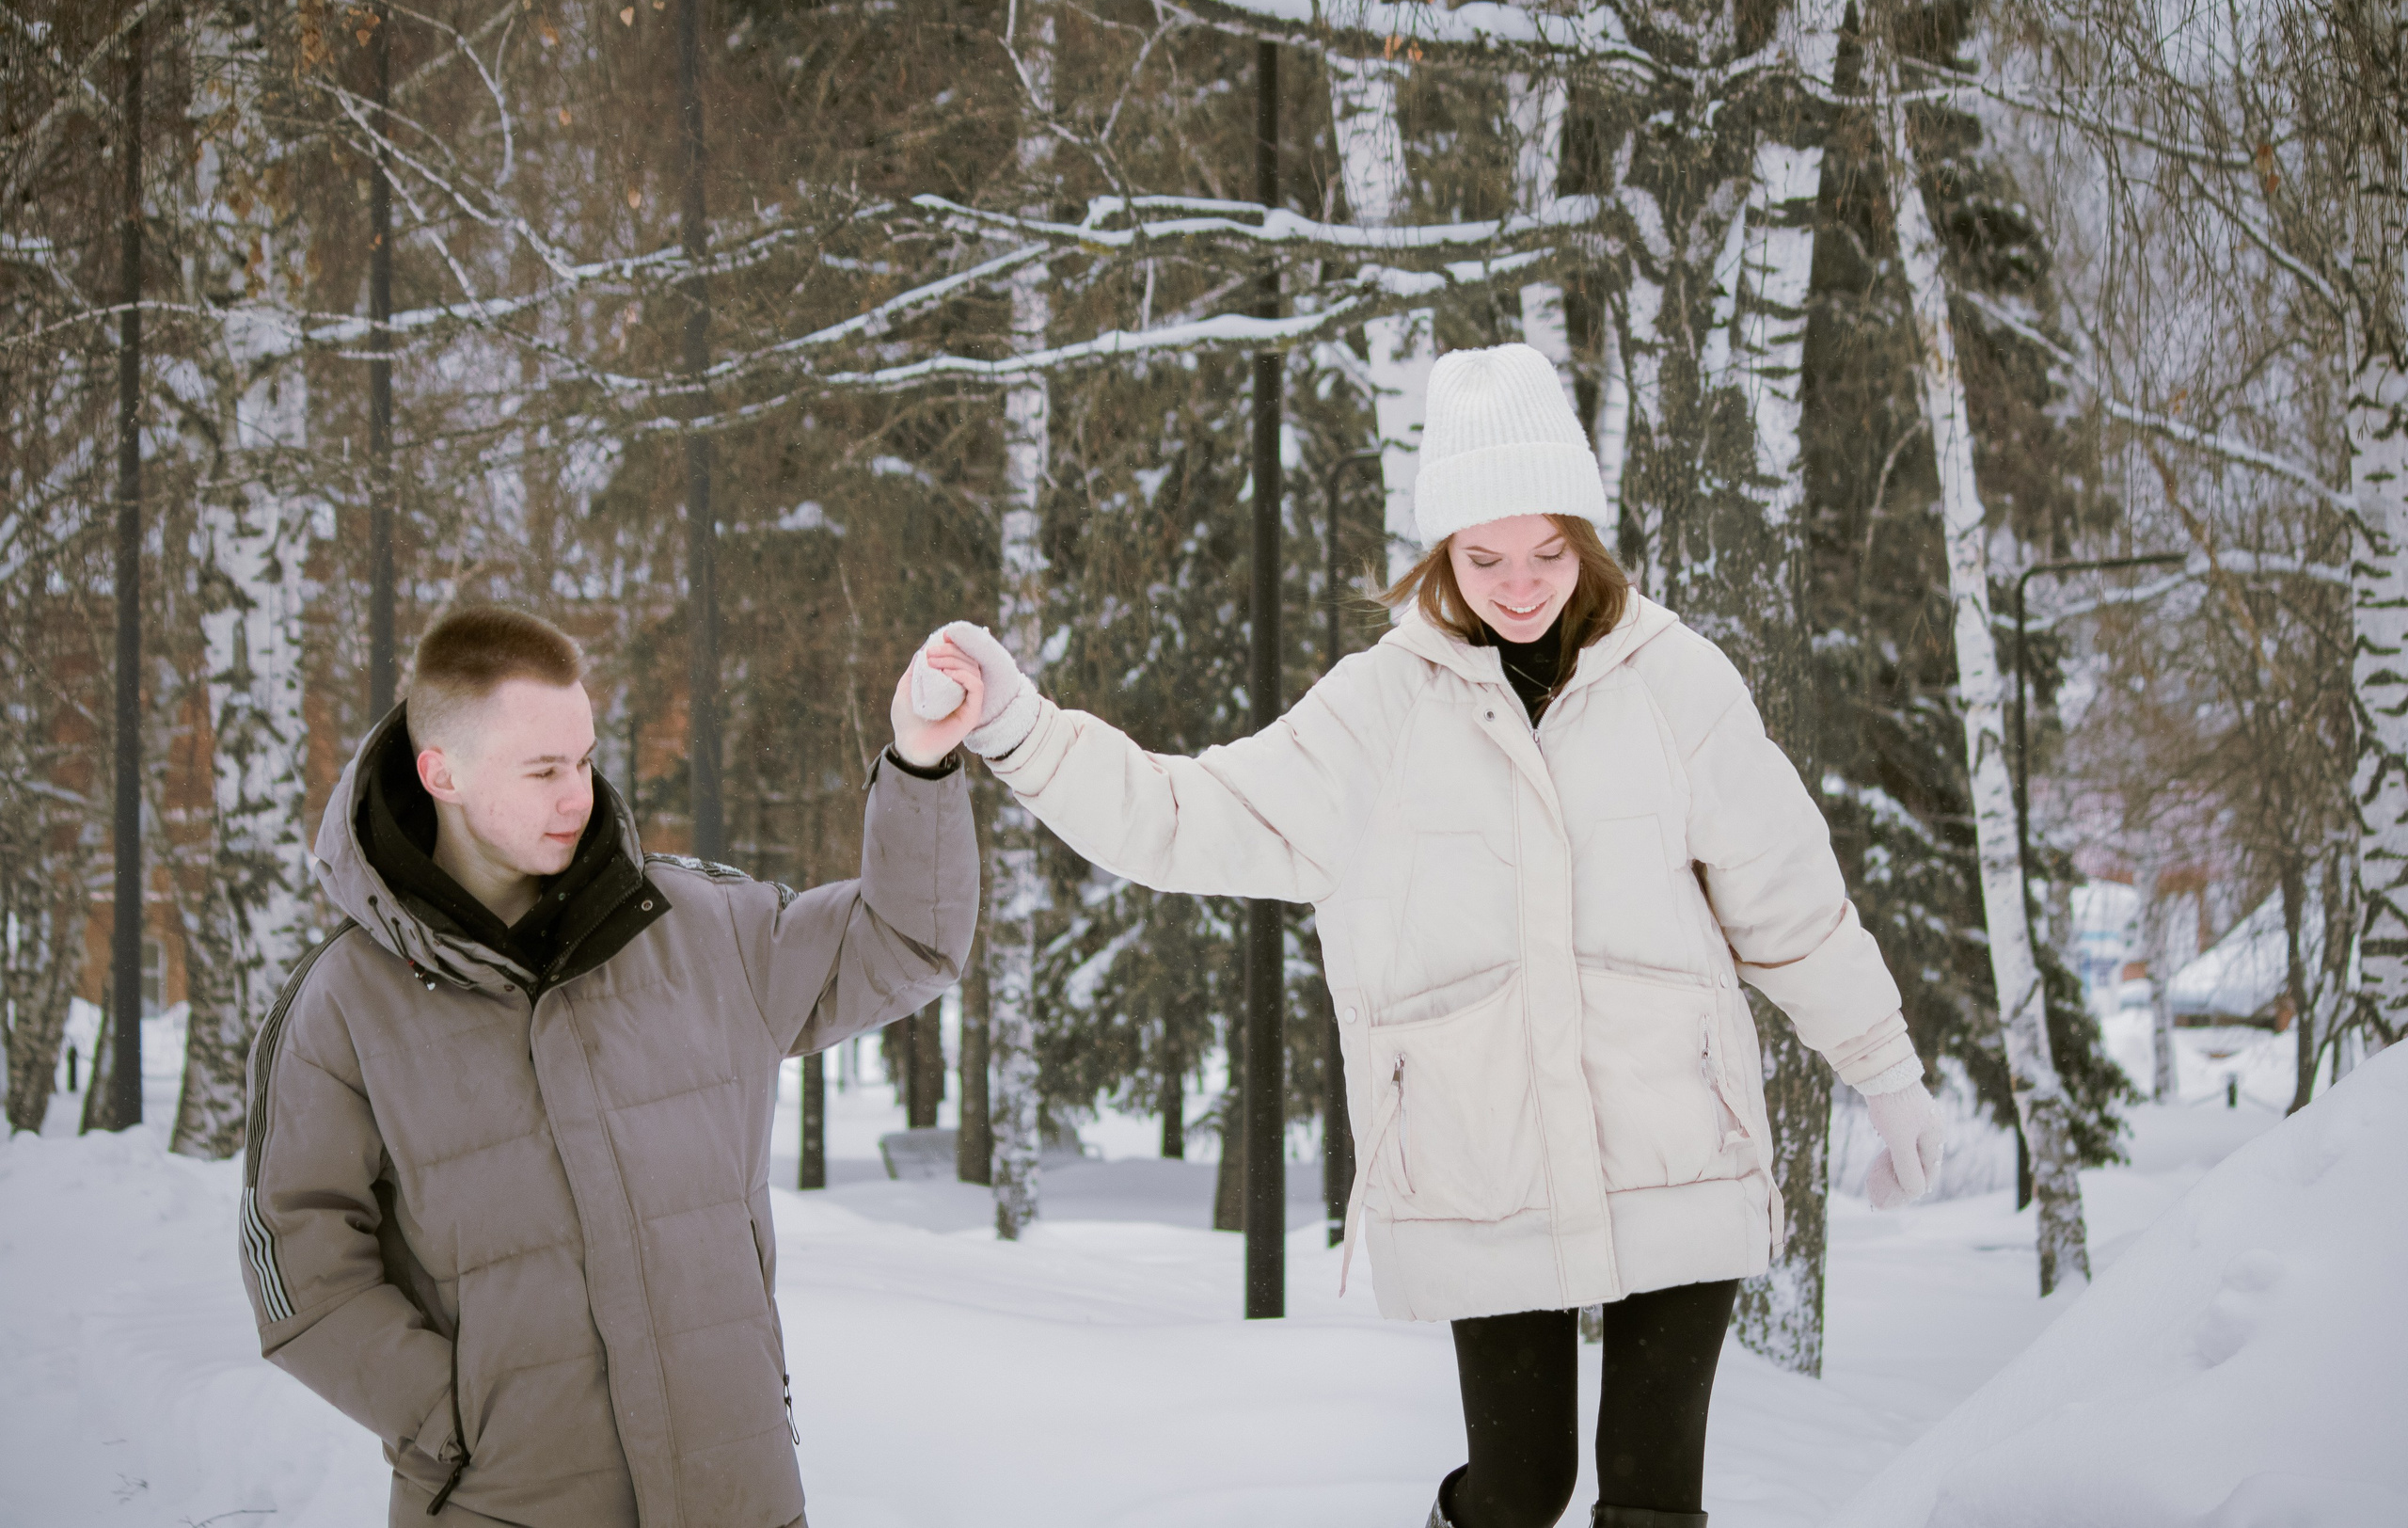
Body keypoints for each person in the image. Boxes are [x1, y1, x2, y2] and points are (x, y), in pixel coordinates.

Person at [907, 343, 1946, 1528]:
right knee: (1520, 1490)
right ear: (1439, 553)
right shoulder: (1379, 710)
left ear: (1586, 536)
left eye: (1548, 551)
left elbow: (1791, 905)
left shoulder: (1680, 686)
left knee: (1655, 1495)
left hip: (1677, 1141)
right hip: (1478, 1159)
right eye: (1483, 555)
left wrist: (1890, 1078)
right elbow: (1185, 816)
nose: (1519, 584)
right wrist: (1020, 729)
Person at [238, 606, 985, 1527]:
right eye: (543, 769)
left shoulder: (702, 929)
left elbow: (907, 943)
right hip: (506, 1503)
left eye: (584, 760)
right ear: (444, 774)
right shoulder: (343, 1004)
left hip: (738, 1495)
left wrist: (919, 765)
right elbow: (297, 1256)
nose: (576, 796)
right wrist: (453, 1418)